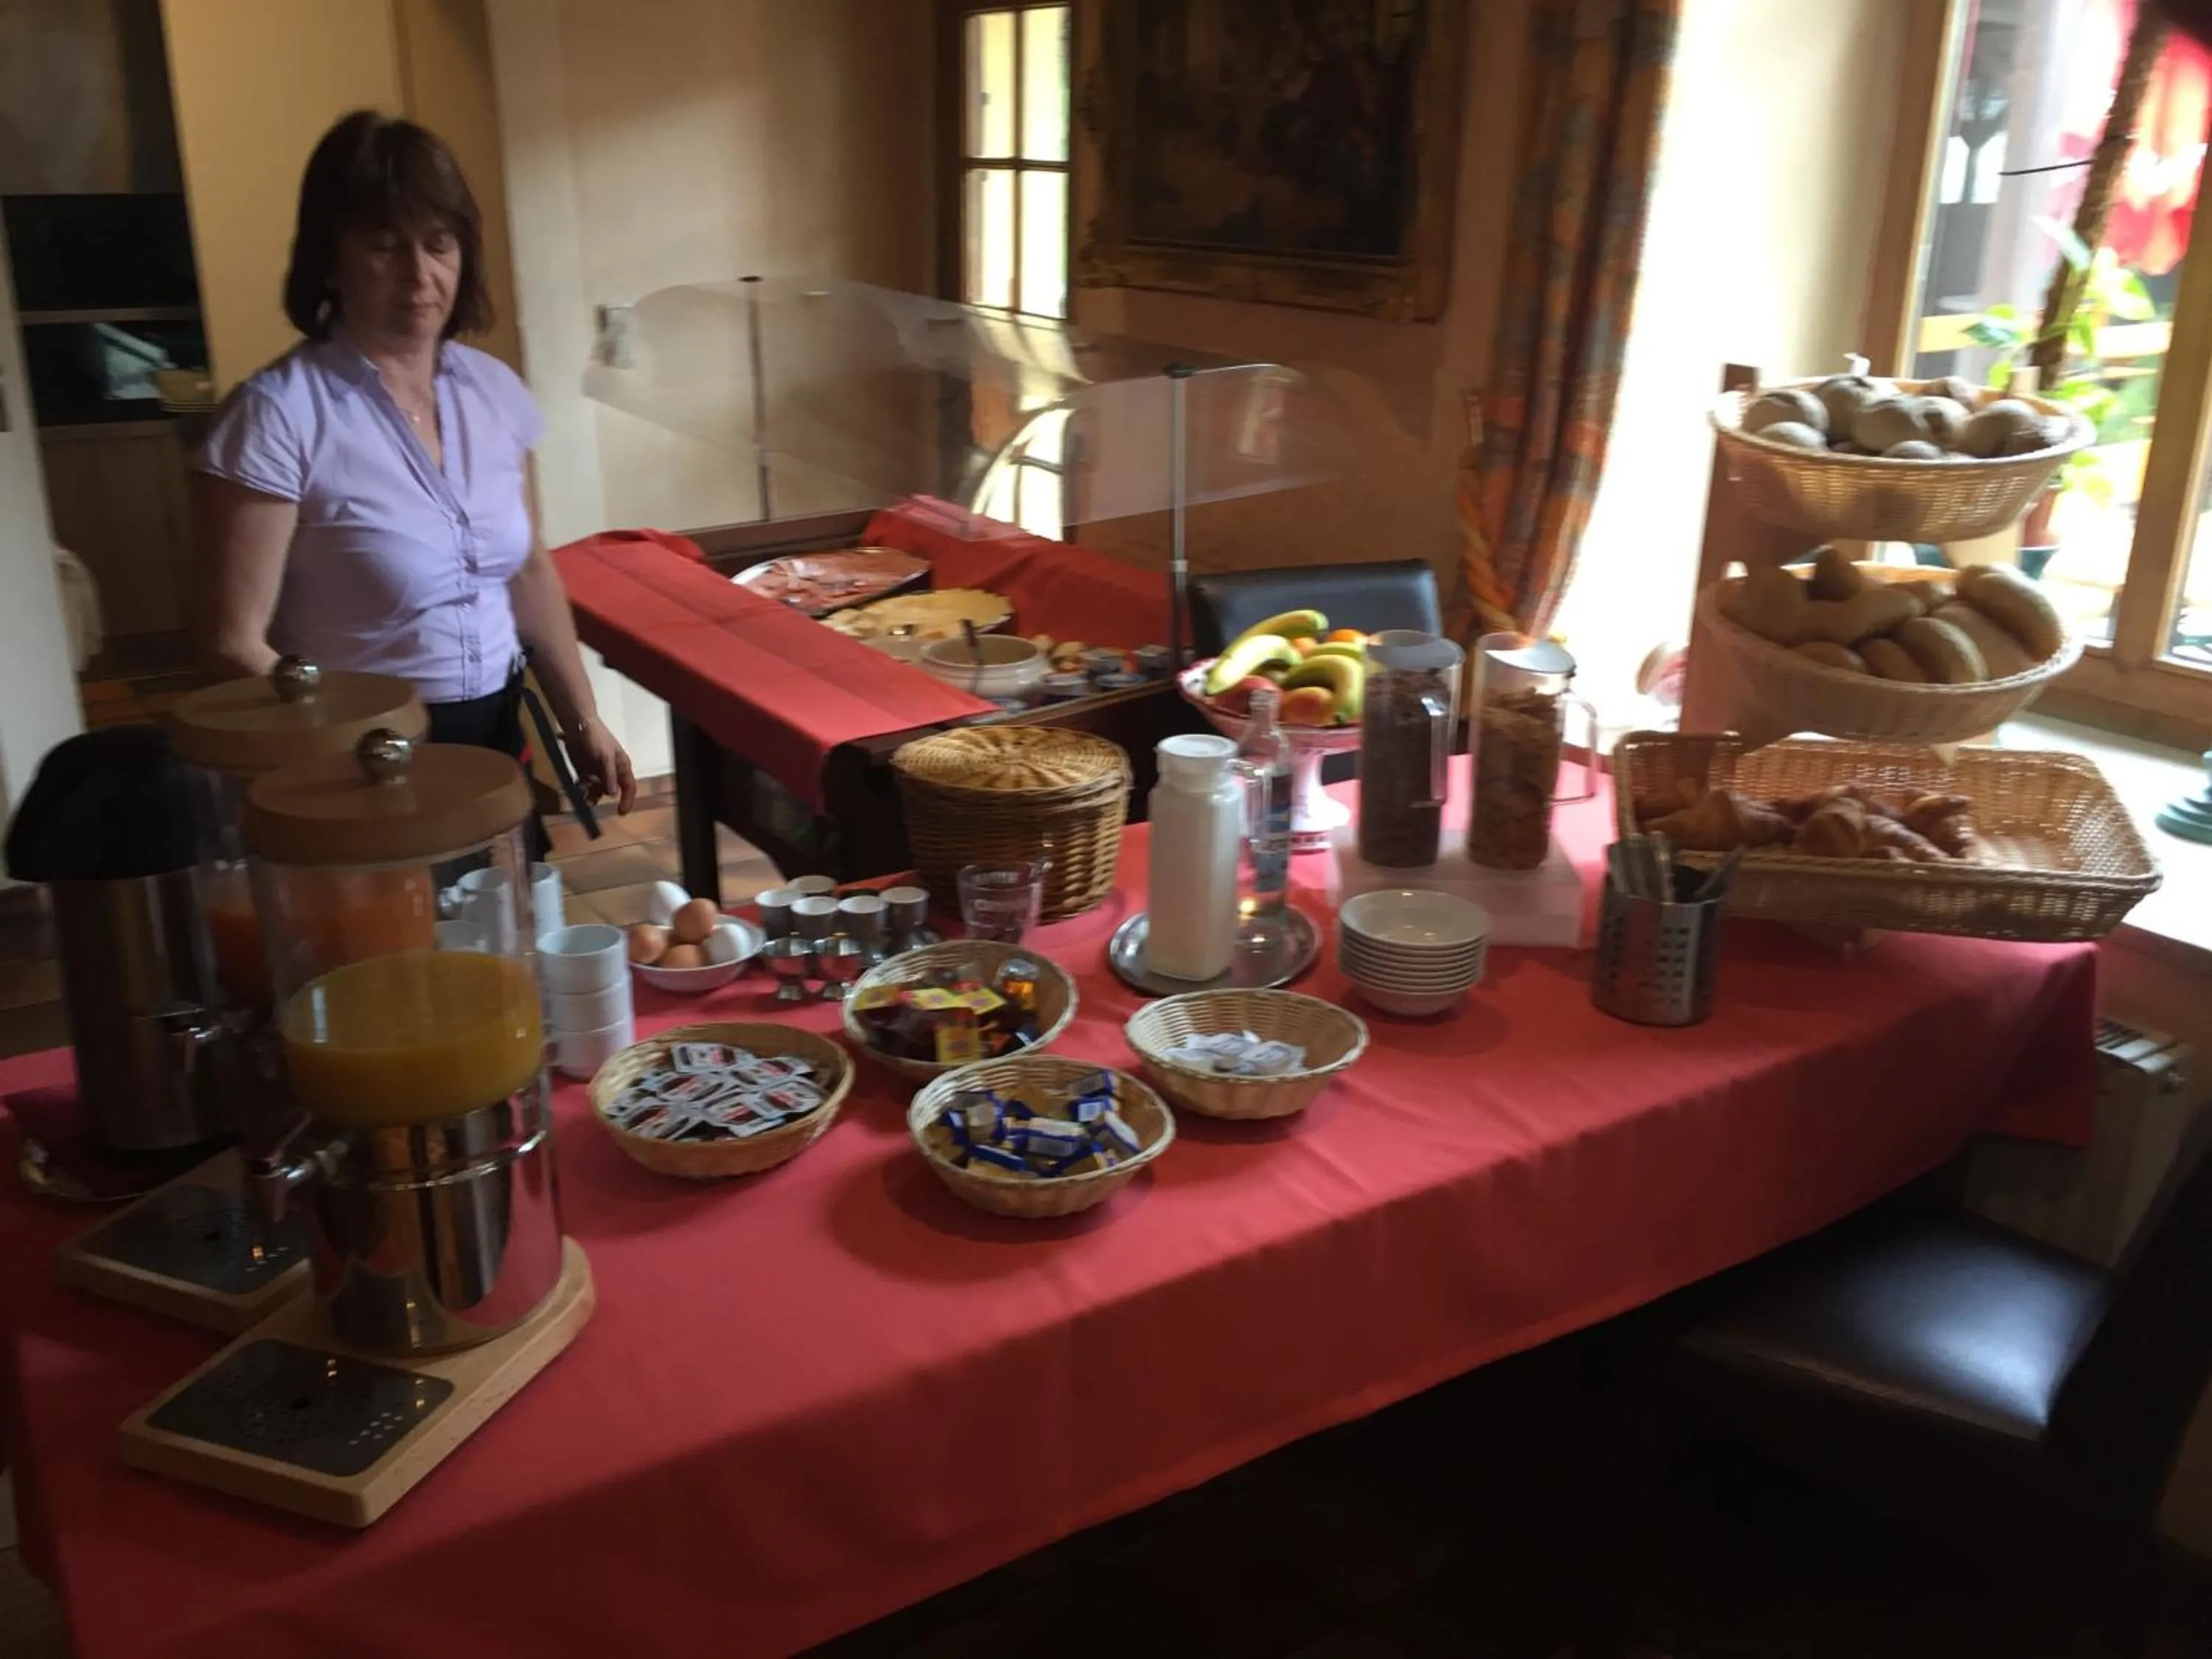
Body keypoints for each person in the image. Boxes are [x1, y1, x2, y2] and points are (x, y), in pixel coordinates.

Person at [192, 109, 634, 830]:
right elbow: (231, 643)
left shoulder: (494, 393)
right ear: (330, 257)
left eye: (439, 244)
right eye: (384, 245)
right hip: (353, 764)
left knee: (505, 929)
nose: (420, 275)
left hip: (494, 737)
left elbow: (527, 570)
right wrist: (358, 749)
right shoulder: (277, 415)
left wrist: (583, 716)